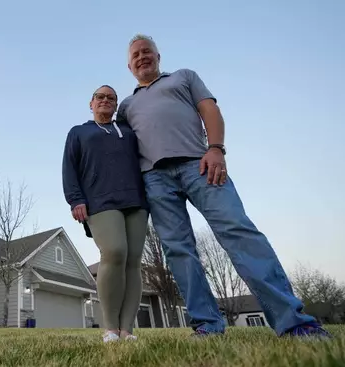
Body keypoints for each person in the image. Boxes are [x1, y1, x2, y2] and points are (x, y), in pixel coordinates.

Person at [116, 34, 331, 339]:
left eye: (146, 51)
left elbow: (210, 110)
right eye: (135, 55)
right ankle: (207, 324)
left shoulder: (183, 77)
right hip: (155, 178)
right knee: (178, 250)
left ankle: (294, 321)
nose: (142, 57)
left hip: (199, 165)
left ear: (158, 56)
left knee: (238, 231)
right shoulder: (127, 106)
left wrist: (216, 147)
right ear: (129, 66)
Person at [62, 85, 149, 343]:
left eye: (111, 98)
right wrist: (76, 199)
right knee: (114, 251)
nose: (105, 101)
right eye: (100, 97)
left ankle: (127, 330)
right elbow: (69, 168)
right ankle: (110, 328)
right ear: (91, 103)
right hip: (100, 201)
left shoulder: (128, 132)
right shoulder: (79, 132)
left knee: (133, 260)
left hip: (136, 200)